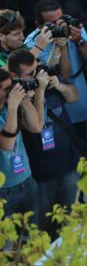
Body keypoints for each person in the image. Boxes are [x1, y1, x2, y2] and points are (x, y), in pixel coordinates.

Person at [8, 49, 79, 233]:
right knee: (41, 229)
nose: (37, 76)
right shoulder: (16, 101)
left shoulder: (46, 81)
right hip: (41, 177)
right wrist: (37, 93)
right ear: (15, 76)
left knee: (68, 223)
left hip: (69, 165)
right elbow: (35, 126)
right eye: (30, 73)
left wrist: (59, 86)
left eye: (36, 69)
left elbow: (74, 96)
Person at [24, 0, 87, 138]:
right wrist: (61, 46)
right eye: (53, 23)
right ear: (39, 25)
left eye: (61, 19)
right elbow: (64, 74)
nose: (60, 25)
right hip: (53, 114)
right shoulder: (33, 44)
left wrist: (79, 40)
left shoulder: (73, 30)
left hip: (78, 106)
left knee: (82, 151)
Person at [0, 65, 44, 220]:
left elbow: (37, 127)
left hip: (26, 179)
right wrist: (12, 108)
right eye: (5, 88)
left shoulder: (7, 105)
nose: (10, 92)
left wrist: (24, 101)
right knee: (9, 241)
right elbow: (7, 145)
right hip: (4, 190)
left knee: (33, 235)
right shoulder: (9, 107)